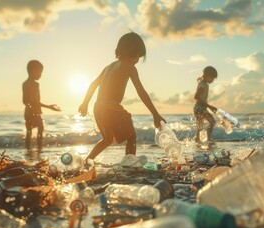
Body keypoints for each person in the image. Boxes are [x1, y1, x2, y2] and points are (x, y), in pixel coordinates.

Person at [78, 32, 165, 165]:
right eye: (138, 56)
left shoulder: (108, 67)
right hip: (111, 107)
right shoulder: (130, 67)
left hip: (98, 107)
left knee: (107, 139)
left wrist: (85, 103)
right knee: (131, 136)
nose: (137, 60)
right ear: (133, 52)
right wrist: (155, 114)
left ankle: (88, 160)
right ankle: (129, 164)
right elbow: (141, 91)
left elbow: (93, 84)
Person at [22, 60, 61, 151]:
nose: (40, 75)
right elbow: (35, 101)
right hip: (34, 111)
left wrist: (30, 105)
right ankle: (39, 149)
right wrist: (49, 107)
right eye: (39, 72)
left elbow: (24, 101)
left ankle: (28, 150)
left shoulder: (25, 84)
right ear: (32, 71)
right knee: (40, 128)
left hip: (27, 111)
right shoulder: (35, 84)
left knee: (29, 132)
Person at [193, 66, 218, 145]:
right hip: (199, 108)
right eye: (212, 78)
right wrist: (210, 106)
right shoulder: (202, 85)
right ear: (207, 75)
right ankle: (205, 139)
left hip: (201, 108)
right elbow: (196, 97)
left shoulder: (205, 84)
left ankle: (200, 139)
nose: (213, 80)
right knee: (209, 122)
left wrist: (208, 106)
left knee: (202, 125)